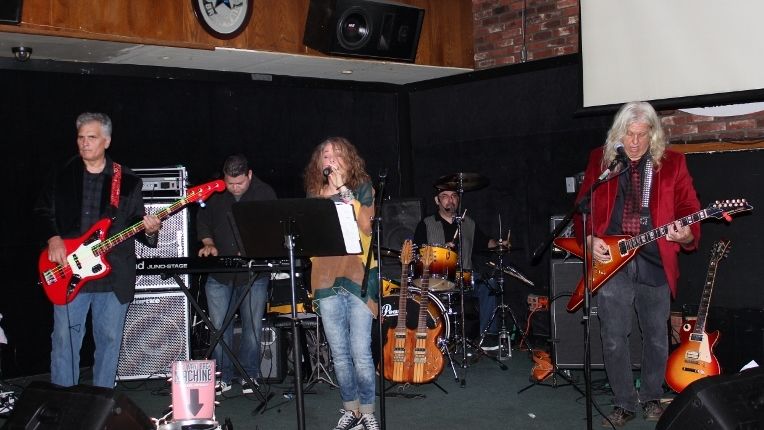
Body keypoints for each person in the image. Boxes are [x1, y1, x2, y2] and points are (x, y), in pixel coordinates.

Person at [573, 101, 700, 426]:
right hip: (613, 259)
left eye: (642, 135)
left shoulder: (672, 163)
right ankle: (624, 403)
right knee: (614, 336)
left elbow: (689, 207)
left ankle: (652, 397)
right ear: (618, 134)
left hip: (654, 258)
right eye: (629, 134)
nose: (634, 142)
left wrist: (686, 234)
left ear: (652, 135)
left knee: (656, 335)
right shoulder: (601, 160)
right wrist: (589, 239)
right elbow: (582, 208)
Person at [34, 112, 161, 388]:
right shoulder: (61, 172)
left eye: (91, 137)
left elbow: (136, 223)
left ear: (107, 141)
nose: (84, 143)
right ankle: (64, 401)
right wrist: (53, 238)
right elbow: (42, 210)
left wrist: (150, 230)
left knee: (109, 341)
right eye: (80, 137)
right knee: (65, 340)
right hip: (68, 270)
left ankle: (102, 401)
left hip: (113, 275)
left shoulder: (127, 180)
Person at [304, 137, 379, 430]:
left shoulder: (363, 187)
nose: (331, 159)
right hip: (325, 276)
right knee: (339, 353)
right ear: (319, 163)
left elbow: (367, 226)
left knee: (361, 351)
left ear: (349, 159)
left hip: (359, 274)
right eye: (325, 155)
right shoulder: (314, 194)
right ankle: (351, 409)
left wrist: (344, 192)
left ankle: (368, 411)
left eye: (337, 153)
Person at [196, 154, 276, 394]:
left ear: (249, 175)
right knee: (219, 327)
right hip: (220, 273)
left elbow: (273, 228)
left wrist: (253, 246)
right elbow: (203, 220)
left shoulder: (265, 193)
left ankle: (250, 374)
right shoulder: (215, 192)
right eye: (230, 183)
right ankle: (223, 375)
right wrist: (208, 243)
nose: (234, 187)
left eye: (239, 183)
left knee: (252, 327)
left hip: (253, 274)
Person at [413, 188, 500, 351]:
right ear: (437, 200)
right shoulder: (426, 224)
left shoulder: (468, 223)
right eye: (445, 196)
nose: (450, 200)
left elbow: (485, 242)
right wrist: (440, 249)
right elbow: (417, 252)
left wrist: (499, 244)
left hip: (465, 277)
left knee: (490, 285)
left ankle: (488, 337)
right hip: (437, 278)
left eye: (453, 196)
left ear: (458, 200)